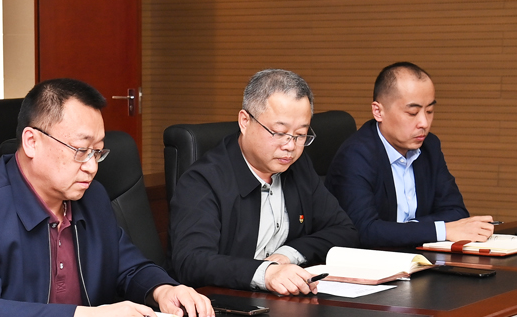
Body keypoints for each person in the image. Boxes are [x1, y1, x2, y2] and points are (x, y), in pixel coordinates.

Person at [0, 77, 214, 317]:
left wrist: (163, 289)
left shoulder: (92, 197)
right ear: (32, 141)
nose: (92, 167)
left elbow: (129, 267)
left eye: (97, 152)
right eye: (81, 150)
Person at [170, 69, 358, 296]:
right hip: (223, 304)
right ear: (245, 121)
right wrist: (266, 273)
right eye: (279, 132)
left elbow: (344, 230)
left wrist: (288, 255)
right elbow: (192, 261)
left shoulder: (297, 166)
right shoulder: (203, 181)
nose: (290, 146)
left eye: (300, 135)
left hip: (283, 300)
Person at [324, 62, 494, 248]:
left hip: (418, 256)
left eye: (429, 111)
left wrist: (406, 230)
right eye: (413, 113)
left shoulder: (430, 146)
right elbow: (364, 231)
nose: (424, 123)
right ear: (378, 111)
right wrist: (440, 230)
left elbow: (456, 213)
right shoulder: (356, 155)